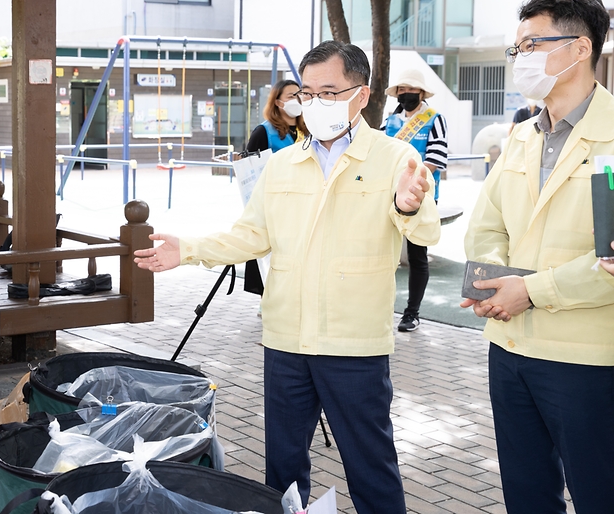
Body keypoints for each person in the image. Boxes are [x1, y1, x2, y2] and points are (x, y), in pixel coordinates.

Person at [134, 40, 440, 513]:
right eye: (309, 93)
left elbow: (426, 230)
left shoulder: (395, 158)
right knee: (282, 467)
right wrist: (189, 250)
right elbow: (251, 236)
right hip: (286, 342)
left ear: (363, 93)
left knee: (370, 465)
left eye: (330, 92)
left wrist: (408, 204)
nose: (315, 103)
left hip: (352, 344)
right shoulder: (283, 163)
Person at [461, 0, 614, 514]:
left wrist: (531, 289)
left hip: (586, 358)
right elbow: (486, 225)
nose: (520, 58)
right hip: (509, 349)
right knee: (526, 495)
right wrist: (493, 284)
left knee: (599, 492)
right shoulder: (522, 136)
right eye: (517, 48)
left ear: (578, 49)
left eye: (532, 44)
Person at [381, 67, 448, 332]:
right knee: (383, 252)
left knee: (417, 254)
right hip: (388, 195)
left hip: (421, 196)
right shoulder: (390, 121)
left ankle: (412, 313)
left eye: (411, 90)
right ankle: (383, 308)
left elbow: (437, 159)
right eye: (401, 90)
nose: (406, 94)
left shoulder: (434, 118)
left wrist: (412, 182)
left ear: (422, 93)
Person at [242, 78, 307, 295]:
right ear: (278, 103)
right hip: (274, 207)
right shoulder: (264, 132)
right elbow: (249, 170)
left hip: (304, 205)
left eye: (300, 94)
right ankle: (268, 297)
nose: (297, 99)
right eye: (291, 96)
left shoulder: (308, 131)